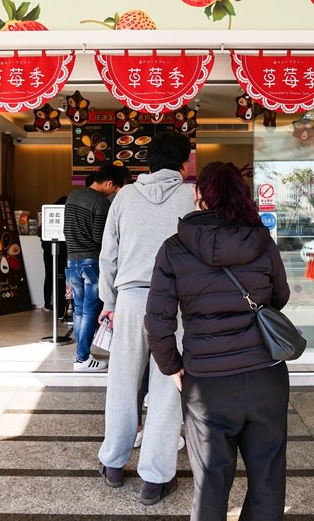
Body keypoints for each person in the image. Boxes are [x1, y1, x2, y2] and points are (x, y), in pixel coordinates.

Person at [144, 161, 291, 521]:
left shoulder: (174, 248)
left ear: (199, 198)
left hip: (207, 384)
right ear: (241, 196)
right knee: (268, 479)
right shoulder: (261, 240)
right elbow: (280, 296)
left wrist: (171, 365)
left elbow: (158, 321)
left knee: (210, 482)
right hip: (265, 377)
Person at [97, 130, 195, 506]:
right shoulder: (191, 197)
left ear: (148, 163)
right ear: (183, 163)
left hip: (131, 300)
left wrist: (109, 301)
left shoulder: (124, 196)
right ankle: (154, 478)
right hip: (176, 304)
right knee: (169, 388)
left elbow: (109, 254)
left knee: (122, 383)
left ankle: (113, 463)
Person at [64, 162, 127, 371]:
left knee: (79, 310)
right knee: (90, 311)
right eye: (116, 188)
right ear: (109, 183)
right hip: (91, 263)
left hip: (72, 261)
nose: (115, 192)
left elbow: (66, 230)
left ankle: (81, 356)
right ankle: (82, 358)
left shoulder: (73, 196)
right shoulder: (101, 203)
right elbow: (102, 240)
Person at [40, 196, 67, 315]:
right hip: (62, 253)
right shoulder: (65, 218)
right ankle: (61, 308)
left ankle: (47, 304)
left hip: (47, 253)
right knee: (61, 278)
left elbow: (42, 239)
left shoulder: (48, 218)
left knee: (49, 277)